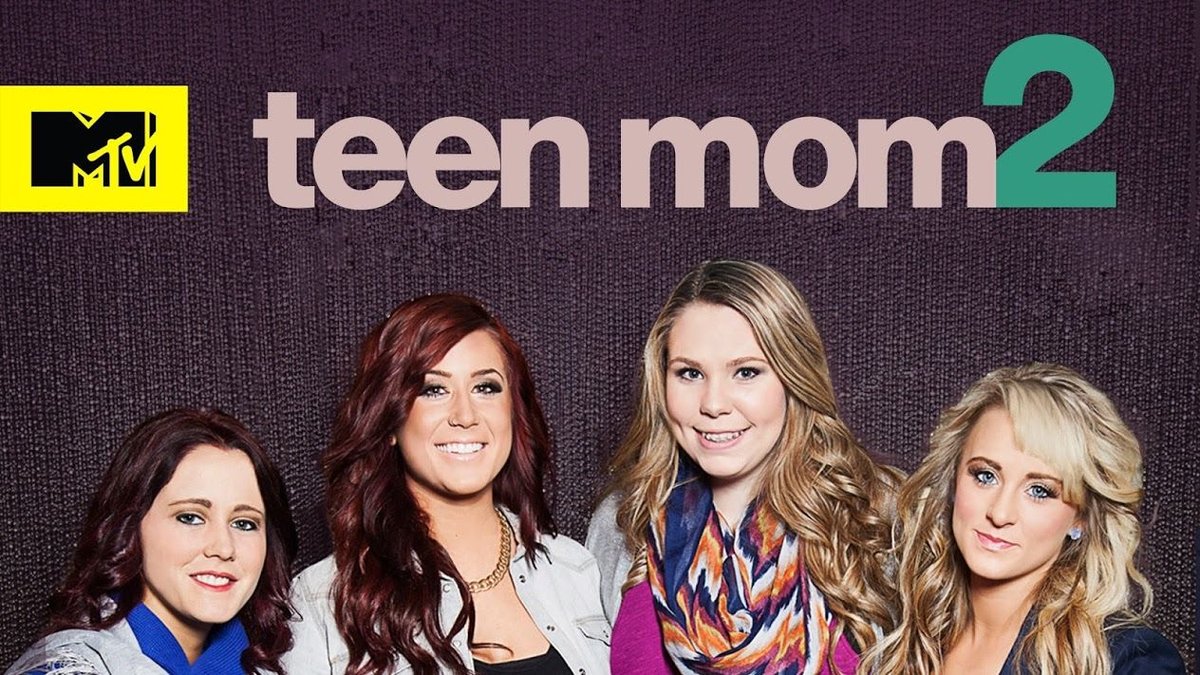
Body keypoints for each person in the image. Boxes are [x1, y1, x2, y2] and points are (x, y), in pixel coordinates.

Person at [587, 260, 899, 674]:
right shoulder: (622, 520)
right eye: (690, 373)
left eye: (746, 372)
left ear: (793, 377)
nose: (714, 404)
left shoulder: (876, 515)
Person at [283, 294, 610, 675]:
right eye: (433, 390)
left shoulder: (576, 570)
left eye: (486, 387)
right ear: (390, 421)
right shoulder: (322, 600)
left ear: (513, 411)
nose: (465, 416)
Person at [867, 363, 1186, 674]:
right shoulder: (900, 639)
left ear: (1082, 518)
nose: (1000, 513)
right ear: (953, 482)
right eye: (985, 476)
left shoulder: (1128, 660)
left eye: (1039, 491)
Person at [6, 408, 298, 675]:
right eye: (190, 517)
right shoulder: (67, 669)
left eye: (244, 523)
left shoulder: (279, 661)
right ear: (130, 526)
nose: (223, 548)